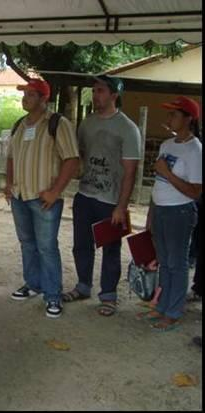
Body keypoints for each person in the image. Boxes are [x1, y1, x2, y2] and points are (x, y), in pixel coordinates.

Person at [63, 75, 142, 317]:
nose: (95, 95)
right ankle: (83, 286)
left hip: (110, 201)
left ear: (113, 95)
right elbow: (80, 157)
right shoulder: (87, 124)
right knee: (81, 245)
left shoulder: (128, 128)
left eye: (100, 91)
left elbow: (130, 172)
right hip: (85, 196)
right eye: (94, 90)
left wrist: (121, 206)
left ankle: (108, 295)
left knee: (110, 249)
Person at [5, 79, 80, 318]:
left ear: (43, 98)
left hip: (43, 198)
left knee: (47, 247)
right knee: (27, 243)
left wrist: (55, 191)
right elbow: (11, 157)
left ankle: (53, 295)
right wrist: (8, 183)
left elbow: (72, 159)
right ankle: (33, 283)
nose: (24, 98)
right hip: (19, 196)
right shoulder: (19, 124)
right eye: (24, 94)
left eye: (30, 94)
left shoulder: (58, 123)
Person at [138, 96, 202, 331]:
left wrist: (168, 172)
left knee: (177, 262)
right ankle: (162, 304)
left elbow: (195, 191)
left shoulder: (195, 150)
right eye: (169, 114)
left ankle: (174, 310)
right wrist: (151, 214)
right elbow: (158, 182)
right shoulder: (167, 145)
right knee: (164, 262)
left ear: (189, 119)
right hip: (161, 209)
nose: (169, 118)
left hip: (180, 212)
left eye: (174, 114)